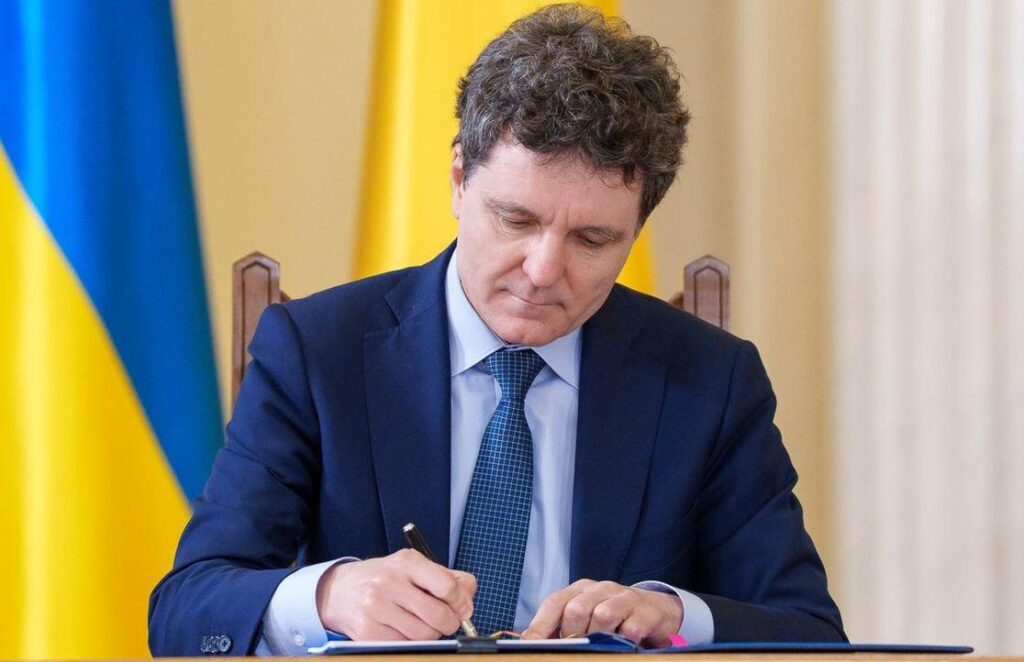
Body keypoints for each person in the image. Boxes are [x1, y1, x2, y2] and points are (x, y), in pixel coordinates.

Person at [149, 4, 844, 656]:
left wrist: (674, 614)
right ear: (459, 179)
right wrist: (328, 595)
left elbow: (811, 635)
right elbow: (185, 609)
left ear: (637, 230)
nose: (543, 271)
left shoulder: (709, 381)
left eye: (592, 239)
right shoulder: (317, 353)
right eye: (516, 220)